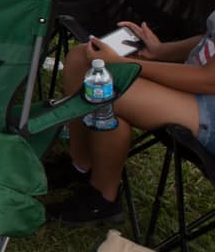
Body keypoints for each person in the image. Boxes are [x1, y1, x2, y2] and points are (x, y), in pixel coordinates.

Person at [45, 13, 215, 225]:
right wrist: (161, 51)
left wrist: (124, 63)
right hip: (199, 85)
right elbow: (209, 36)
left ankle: (103, 199)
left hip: (208, 102)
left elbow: (209, 80)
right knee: (80, 58)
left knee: (106, 85)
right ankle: (80, 165)